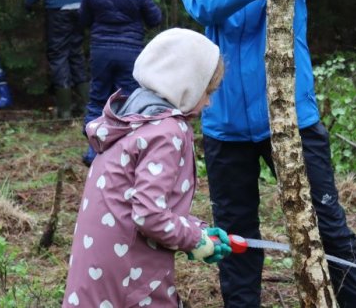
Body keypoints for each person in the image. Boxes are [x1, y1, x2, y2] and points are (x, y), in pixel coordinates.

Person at [180, 0, 356, 307]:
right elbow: (202, 2)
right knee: (237, 238)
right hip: (227, 125)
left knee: (328, 227)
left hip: (292, 119)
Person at [63, 28, 231, 308]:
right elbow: (149, 215)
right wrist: (195, 240)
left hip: (101, 271)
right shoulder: (168, 132)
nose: (208, 101)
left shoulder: (133, 118)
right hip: (132, 275)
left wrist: (197, 229)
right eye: (207, 91)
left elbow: (138, 200)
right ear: (186, 85)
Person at [79, 0, 163, 166]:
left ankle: (93, 150)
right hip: (130, 51)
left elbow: (83, 19)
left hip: (101, 50)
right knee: (128, 100)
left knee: (98, 97)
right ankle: (123, 151)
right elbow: (155, 19)